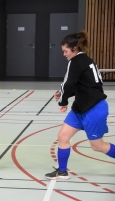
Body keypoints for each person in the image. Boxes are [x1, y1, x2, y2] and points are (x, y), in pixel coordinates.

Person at [45, 31, 115, 179]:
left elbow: (69, 83)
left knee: (97, 146)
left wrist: (63, 101)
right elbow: (80, 84)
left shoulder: (76, 61)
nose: (64, 54)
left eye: (65, 51)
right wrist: (62, 92)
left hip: (94, 109)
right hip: (80, 108)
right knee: (63, 136)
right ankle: (62, 171)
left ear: (75, 49)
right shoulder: (85, 61)